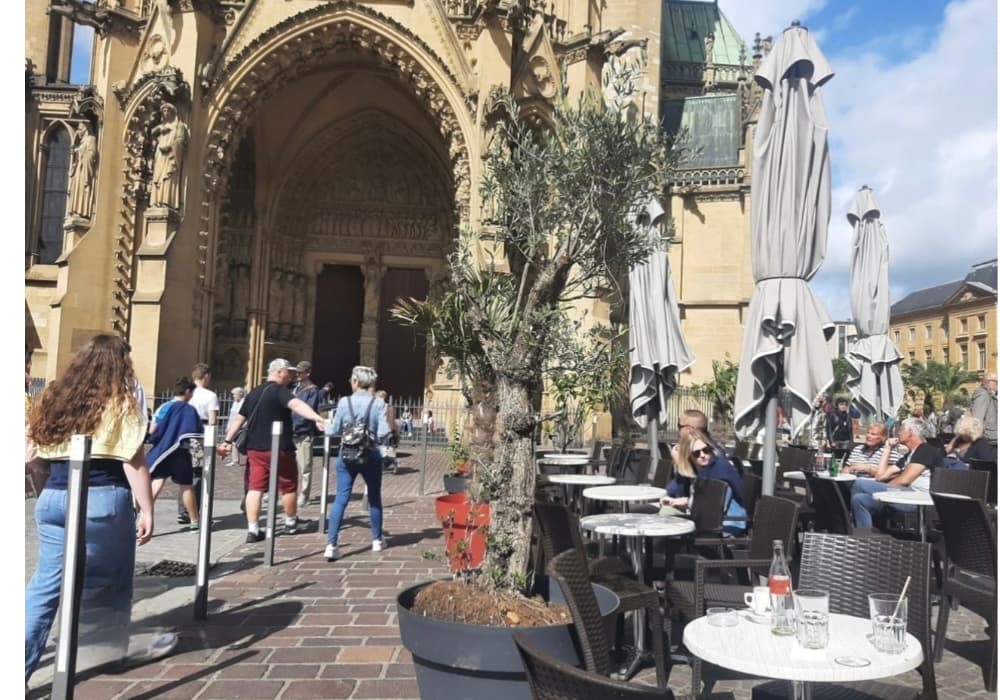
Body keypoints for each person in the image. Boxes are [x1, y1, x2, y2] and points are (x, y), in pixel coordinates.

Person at [25, 334, 164, 684]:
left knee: (46, 586)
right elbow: (133, 460)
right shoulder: (122, 403)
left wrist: (44, 491)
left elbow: (34, 457)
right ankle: (104, 654)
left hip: (54, 495)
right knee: (109, 582)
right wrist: (147, 509)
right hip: (102, 495)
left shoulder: (55, 399)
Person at [216, 359, 327, 542]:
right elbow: (297, 405)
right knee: (288, 485)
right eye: (288, 372)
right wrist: (316, 418)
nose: (290, 376)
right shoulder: (280, 392)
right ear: (280, 372)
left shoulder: (253, 393)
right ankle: (291, 522)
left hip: (255, 448)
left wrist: (227, 441)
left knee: (255, 487)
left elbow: (239, 419)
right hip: (280, 447)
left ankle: (253, 529)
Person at [324, 366, 392, 561]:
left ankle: (331, 544)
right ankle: (377, 540)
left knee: (341, 498)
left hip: (347, 455)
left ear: (355, 381)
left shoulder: (344, 402)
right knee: (374, 498)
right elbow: (383, 432)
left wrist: (323, 426)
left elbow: (334, 429)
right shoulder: (379, 403)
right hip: (370, 454)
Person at [850, 417, 944, 530]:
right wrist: (887, 448)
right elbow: (880, 476)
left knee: (859, 484)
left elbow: (905, 480)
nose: (898, 432)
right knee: (859, 499)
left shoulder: (925, 450)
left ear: (910, 433)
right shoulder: (908, 456)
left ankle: (852, 526)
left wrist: (885, 489)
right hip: (903, 494)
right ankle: (864, 536)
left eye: (901, 429)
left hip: (918, 498)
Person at [661, 429, 746, 535]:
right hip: (705, 521)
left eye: (706, 450)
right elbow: (675, 490)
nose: (702, 455)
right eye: (696, 453)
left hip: (726, 526)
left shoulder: (719, 469)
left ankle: (655, 551)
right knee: (663, 514)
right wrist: (680, 466)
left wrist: (683, 501)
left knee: (665, 518)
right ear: (688, 456)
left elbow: (714, 505)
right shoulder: (698, 469)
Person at [146, 377, 203, 529]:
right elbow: (195, 433)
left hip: (163, 451)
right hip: (180, 451)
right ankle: (194, 521)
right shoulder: (189, 409)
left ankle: (143, 515)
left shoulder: (163, 407)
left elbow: (153, 430)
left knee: (157, 481)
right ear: (188, 391)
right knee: (186, 485)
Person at [179, 363, 218, 525]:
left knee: (182, 473)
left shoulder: (186, 393)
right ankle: (192, 510)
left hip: (182, 435)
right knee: (198, 474)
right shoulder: (210, 395)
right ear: (206, 376)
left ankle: (182, 510)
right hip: (199, 435)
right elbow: (212, 420)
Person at [291, 360, 322, 507]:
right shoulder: (294, 387)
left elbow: (308, 411)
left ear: (307, 373)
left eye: (300, 372)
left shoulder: (312, 389)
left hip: (303, 432)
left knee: (305, 466)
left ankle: (304, 494)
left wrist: (298, 425)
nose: (297, 374)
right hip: (290, 431)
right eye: (296, 372)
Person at [971, 371, 998, 446]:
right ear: (988, 382)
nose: (997, 384)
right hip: (988, 439)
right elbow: (977, 418)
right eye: (996, 382)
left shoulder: (989, 394)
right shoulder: (983, 394)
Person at [375, 389, 398, 471]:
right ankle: (389, 464)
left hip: (384, 431)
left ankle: (391, 464)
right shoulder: (388, 407)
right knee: (385, 450)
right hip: (383, 431)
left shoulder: (379, 407)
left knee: (385, 450)